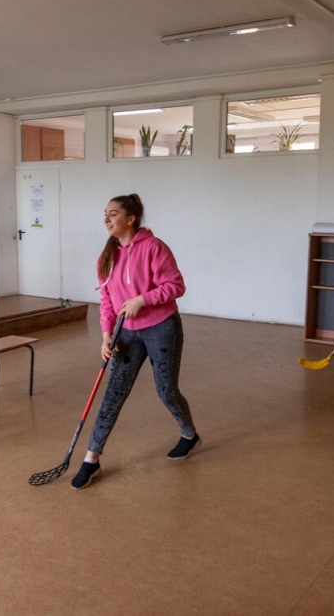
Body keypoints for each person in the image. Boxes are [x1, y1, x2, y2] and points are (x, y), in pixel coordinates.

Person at [71, 194, 200, 490]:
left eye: (113, 213)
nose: (107, 219)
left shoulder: (154, 248)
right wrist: (106, 333)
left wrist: (142, 299)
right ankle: (91, 459)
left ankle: (189, 434)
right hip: (125, 332)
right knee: (113, 394)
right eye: (105, 213)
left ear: (131, 219)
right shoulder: (106, 257)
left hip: (161, 329)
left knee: (167, 391)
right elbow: (106, 300)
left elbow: (176, 286)